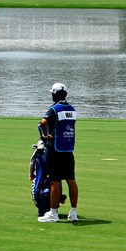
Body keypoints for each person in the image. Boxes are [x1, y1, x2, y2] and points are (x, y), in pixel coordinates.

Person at [38, 82, 80, 222]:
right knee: (71, 180)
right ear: (66, 94)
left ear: (53, 95)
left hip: (55, 149)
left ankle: (53, 213)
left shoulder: (54, 109)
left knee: (54, 180)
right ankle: (73, 213)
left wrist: (45, 135)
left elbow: (43, 122)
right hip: (68, 149)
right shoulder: (72, 109)